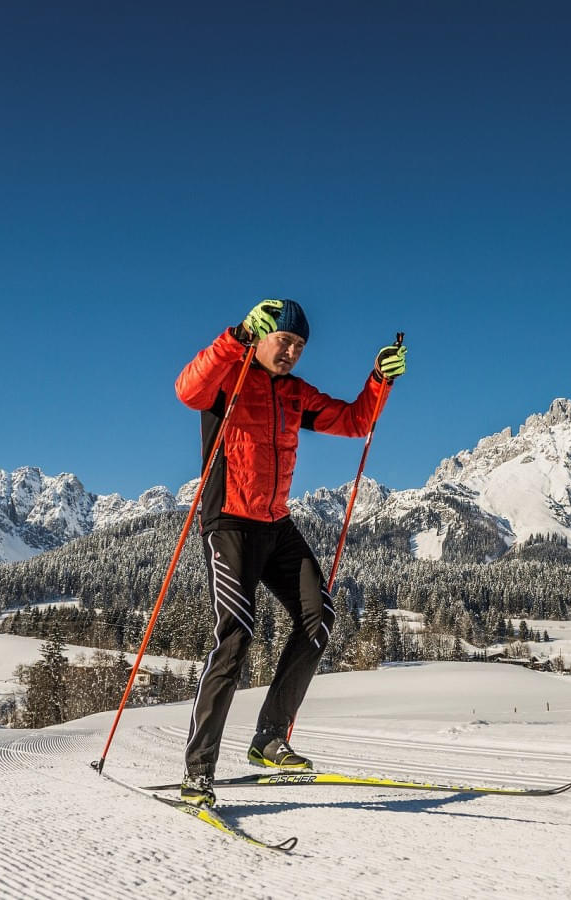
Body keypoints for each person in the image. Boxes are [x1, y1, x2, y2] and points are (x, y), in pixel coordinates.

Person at [174, 299, 407, 807]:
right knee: (236, 636)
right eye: (285, 341)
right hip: (230, 522)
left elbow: (352, 423)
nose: (293, 352)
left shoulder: (296, 393)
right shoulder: (227, 377)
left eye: (300, 346)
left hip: (276, 524)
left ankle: (269, 740)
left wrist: (378, 380)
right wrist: (234, 335)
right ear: (261, 336)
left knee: (317, 617)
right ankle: (198, 770)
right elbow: (187, 389)